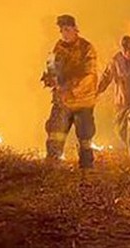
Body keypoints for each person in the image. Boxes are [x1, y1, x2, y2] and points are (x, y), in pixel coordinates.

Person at [40, 14, 98, 168]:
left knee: (85, 137)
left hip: (82, 101)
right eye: (61, 30)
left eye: (66, 29)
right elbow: (52, 66)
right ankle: (52, 166)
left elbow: (90, 76)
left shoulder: (87, 48)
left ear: (75, 29)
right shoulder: (58, 47)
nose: (64, 33)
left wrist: (72, 90)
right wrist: (49, 77)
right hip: (62, 100)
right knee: (55, 133)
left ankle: (86, 171)